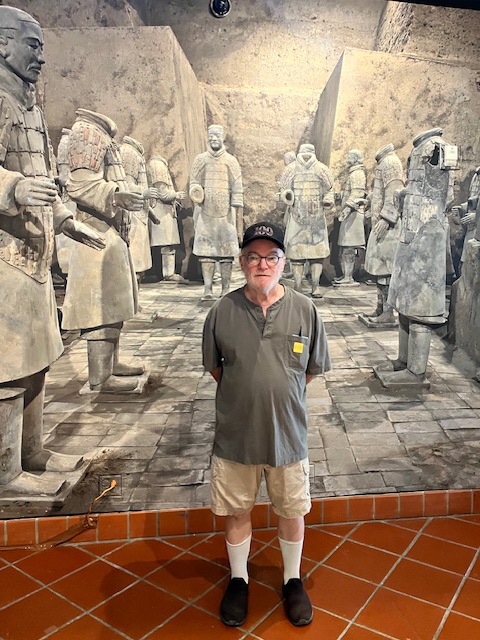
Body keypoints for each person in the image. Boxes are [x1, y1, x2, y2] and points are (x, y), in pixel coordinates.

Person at [202, 221, 331, 627]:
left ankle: (292, 579)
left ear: (283, 262)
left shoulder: (305, 310)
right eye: (253, 257)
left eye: (271, 257)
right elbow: (216, 368)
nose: (262, 265)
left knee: (291, 510)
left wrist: (278, 393)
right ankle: (239, 579)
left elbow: (309, 370)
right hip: (236, 437)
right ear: (241, 262)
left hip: (288, 436)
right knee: (236, 509)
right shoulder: (222, 311)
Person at [0, 7, 105, 494]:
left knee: (37, 356)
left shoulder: (28, 105)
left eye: (42, 46)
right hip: (5, 255)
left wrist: (65, 220)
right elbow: (23, 180)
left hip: (34, 254)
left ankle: (32, 451)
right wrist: (14, 187)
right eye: (32, 45)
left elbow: (45, 177)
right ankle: (7, 475)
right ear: (3, 44)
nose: (41, 56)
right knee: (7, 364)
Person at [62, 108, 146, 393]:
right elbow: (80, 185)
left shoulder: (102, 135)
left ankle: (111, 364)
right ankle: (100, 377)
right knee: (99, 306)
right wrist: (116, 196)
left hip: (109, 232)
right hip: (95, 233)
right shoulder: (87, 132)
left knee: (114, 303)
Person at [189, 124, 243, 300]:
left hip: (226, 214)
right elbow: (194, 182)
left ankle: (226, 289)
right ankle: (208, 290)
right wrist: (196, 192)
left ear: (222, 137)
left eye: (216, 136)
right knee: (207, 254)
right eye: (211, 135)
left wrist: (235, 207)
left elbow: (237, 185)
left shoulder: (231, 161)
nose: (213, 138)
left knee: (226, 254)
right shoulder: (200, 160)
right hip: (205, 211)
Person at [281, 144, 335, 297]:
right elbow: (283, 190)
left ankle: (315, 287)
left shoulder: (322, 169)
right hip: (296, 217)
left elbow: (330, 190)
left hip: (317, 219)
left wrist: (328, 200)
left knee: (317, 256)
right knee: (296, 256)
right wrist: (286, 196)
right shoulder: (290, 169)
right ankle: (298, 286)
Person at [362, 143, 404, 324]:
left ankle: (388, 312)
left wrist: (387, 218)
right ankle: (381, 308)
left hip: (389, 227)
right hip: (382, 224)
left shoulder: (391, 162)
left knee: (386, 271)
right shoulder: (385, 162)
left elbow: (395, 193)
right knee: (380, 270)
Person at [147, 154, 186, 282]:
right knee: (167, 244)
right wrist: (176, 195)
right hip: (162, 211)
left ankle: (165, 273)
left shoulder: (154, 164)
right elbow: (162, 193)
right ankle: (168, 273)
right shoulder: (158, 166)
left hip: (160, 210)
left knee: (165, 245)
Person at [333, 149, 367, 287]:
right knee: (346, 247)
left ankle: (348, 277)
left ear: (355, 158)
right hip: (350, 215)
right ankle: (346, 275)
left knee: (349, 247)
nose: (347, 159)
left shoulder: (357, 173)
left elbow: (357, 194)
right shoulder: (354, 173)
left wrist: (346, 209)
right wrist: (341, 196)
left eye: (349, 157)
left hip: (353, 215)